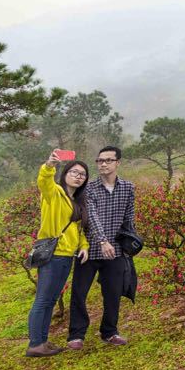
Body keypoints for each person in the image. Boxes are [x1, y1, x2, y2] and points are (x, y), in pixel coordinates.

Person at [68, 145, 135, 349]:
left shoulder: (128, 188)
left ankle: (110, 332)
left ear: (118, 163)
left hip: (115, 250)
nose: (103, 164)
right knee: (79, 291)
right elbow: (93, 217)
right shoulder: (89, 188)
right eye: (99, 161)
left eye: (108, 160)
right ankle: (76, 335)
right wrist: (102, 241)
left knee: (113, 292)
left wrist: (130, 243)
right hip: (89, 249)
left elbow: (129, 218)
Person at [26, 153, 89, 357]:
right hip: (54, 255)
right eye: (74, 172)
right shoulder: (54, 193)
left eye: (83, 174)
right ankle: (36, 344)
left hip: (66, 255)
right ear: (65, 173)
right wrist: (49, 165)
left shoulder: (76, 201)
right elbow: (44, 182)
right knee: (43, 300)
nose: (79, 177)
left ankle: (42, 341)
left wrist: (84, 246)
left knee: (51, 300)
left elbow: (78, 230)